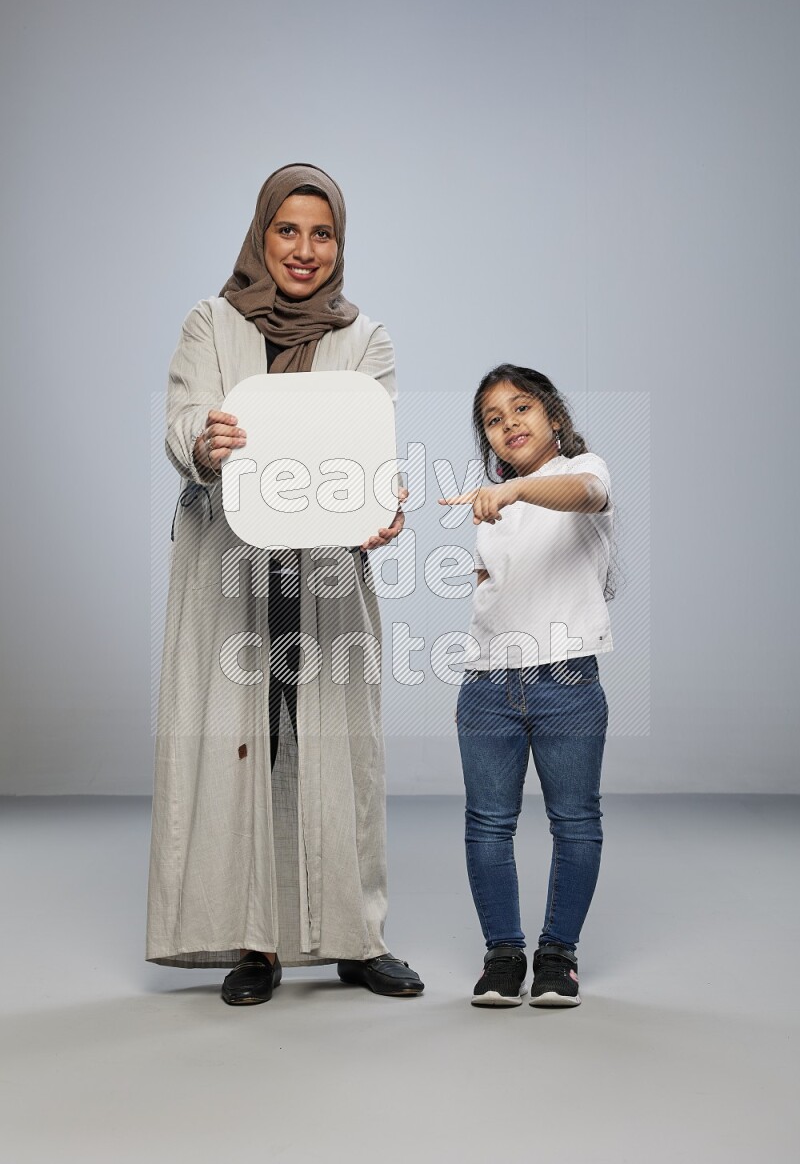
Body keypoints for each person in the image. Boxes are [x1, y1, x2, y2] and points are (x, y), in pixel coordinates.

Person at [147, 163, 423, 1004]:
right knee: (247, 740)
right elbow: (181, 421)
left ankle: (354, 937)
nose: (305, 250)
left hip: (328, 564)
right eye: (288, 230)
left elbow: (372, 447)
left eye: (323, 233)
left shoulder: (364, 337)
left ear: (340, 245)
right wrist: (207, 438)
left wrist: (385, 504)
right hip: (231, 560)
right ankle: (256, 944)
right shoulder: (212, 321)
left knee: (337, 745)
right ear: (262, 234)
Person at [440, 365, 614, 1009]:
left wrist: (515, 494)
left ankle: (558, 956)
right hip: (488, 684)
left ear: (555, 419)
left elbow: (585, 495)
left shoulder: (585, 469)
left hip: (566, 679)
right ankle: (503, 956)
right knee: (488, 824)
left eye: (522, 408)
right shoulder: (488, 508)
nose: (510, 423)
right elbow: (495, 593)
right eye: (494, 419)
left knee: (574, 822)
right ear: (488, 440)